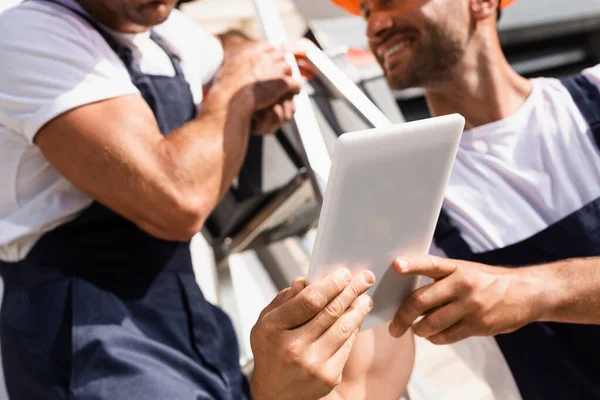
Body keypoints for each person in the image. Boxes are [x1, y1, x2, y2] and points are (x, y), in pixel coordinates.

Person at [0, 0, 415, 399]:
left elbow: (232, 49)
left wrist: (260, 76)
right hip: (86, 331)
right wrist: (234, 92)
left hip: (183, 314)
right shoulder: (28, 34)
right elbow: (176, 199)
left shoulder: (162, 31)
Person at [330, 0, 600, 398]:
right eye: (366, 11)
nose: (375, 25)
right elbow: (364, 382)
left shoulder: (594, 96)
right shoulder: (390, 199)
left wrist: (533, 290)